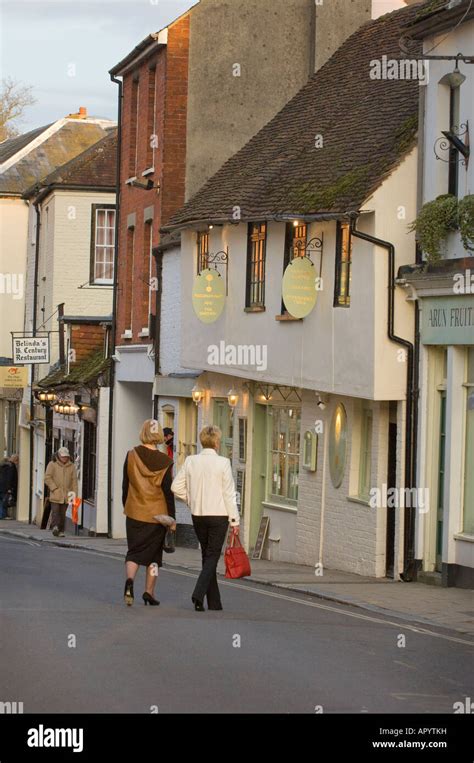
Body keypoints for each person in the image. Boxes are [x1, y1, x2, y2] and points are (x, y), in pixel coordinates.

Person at [171, 425, 240, 612]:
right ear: (216, 442)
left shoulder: (191, 461)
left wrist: (191, 500)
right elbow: (229, 494)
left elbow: (175, 487)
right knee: (212, 556)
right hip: (219, 516)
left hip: (198, 515)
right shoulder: (223, 463)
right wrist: (235, 520)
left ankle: (214, 603)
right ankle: (198, 594)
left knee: (207, 555)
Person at [122, 420, 176, 608]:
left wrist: (128, 505)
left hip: (135, 512)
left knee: (134, 552)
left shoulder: (131, 455)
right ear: (159, 435)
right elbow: (168, 493)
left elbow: (125, 486)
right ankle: (149, 592)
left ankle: (130, 581)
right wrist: (172, 519)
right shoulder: (166, 462)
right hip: (157, 516)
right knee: (154, 557)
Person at [44, 447, 78, 537]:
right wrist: (54, 488)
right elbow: (47, 478)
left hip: (67, 494)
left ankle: (61, 530)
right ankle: (55, 527)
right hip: (56, 493)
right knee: (55, 512)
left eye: (66, 457)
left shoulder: (72, 466)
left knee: (63, 514)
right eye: (63, 457)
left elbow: (74, 481)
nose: (65, 458)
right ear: (58, 456)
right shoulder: (52, 464)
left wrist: (74, 495)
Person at [0, 456, 17, 520]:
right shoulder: (11, 467)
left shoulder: (3, 466)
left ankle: (2, 514)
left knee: (1, 500)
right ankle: (3, 515)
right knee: (4, 500)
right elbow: (9, 478)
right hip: (4, 486)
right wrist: (9, 488)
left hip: (1, 485)